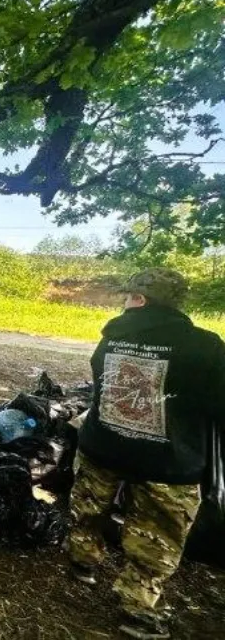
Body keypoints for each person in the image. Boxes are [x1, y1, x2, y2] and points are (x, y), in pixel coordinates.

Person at [67, 268, 225, 640]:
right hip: (168, 460)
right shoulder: (204, 345)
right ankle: (137, 605)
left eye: (128, 296)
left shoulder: (110, 339)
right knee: (157, 533)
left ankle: (82, 562)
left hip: (103, 444)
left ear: (139, 299)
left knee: (89, 508)